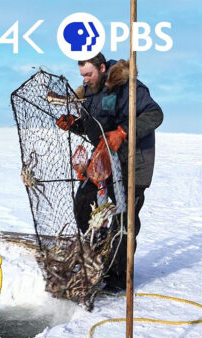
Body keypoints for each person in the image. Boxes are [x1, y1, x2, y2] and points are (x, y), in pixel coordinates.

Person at [56, 52, 163, 291]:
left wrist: (124, 132)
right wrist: (74, 124)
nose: (84, 79)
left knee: (124, 220)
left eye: (88, 74)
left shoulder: (128, 87)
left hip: (134, 163)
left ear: (102, 67)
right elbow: (97, 128)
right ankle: (98, 257)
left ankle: (118, 277)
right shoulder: (90, 93)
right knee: (83, 203)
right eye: (82, 75)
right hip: (105, 161)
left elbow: (155, 114)